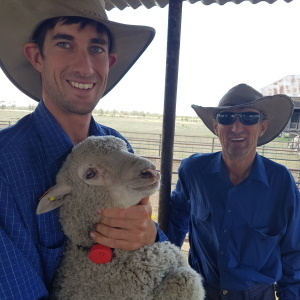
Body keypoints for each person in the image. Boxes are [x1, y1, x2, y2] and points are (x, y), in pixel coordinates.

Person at [0, 0, 167, 298]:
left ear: (109, 62)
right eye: (65, 44)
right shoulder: (4, 162)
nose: (85, 66)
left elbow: (150, 246)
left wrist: (149, 234)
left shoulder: (118, 144)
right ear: (37, 56)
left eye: (96, 48)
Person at [167, 83, 300, 299]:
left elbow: (294, 253)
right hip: (201, 291)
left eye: (248, 118)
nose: (236, 127)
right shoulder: (193, 171)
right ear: (216, 126)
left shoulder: (280, 182)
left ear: (262, 127)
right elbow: (174, 224)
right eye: (226, 118)